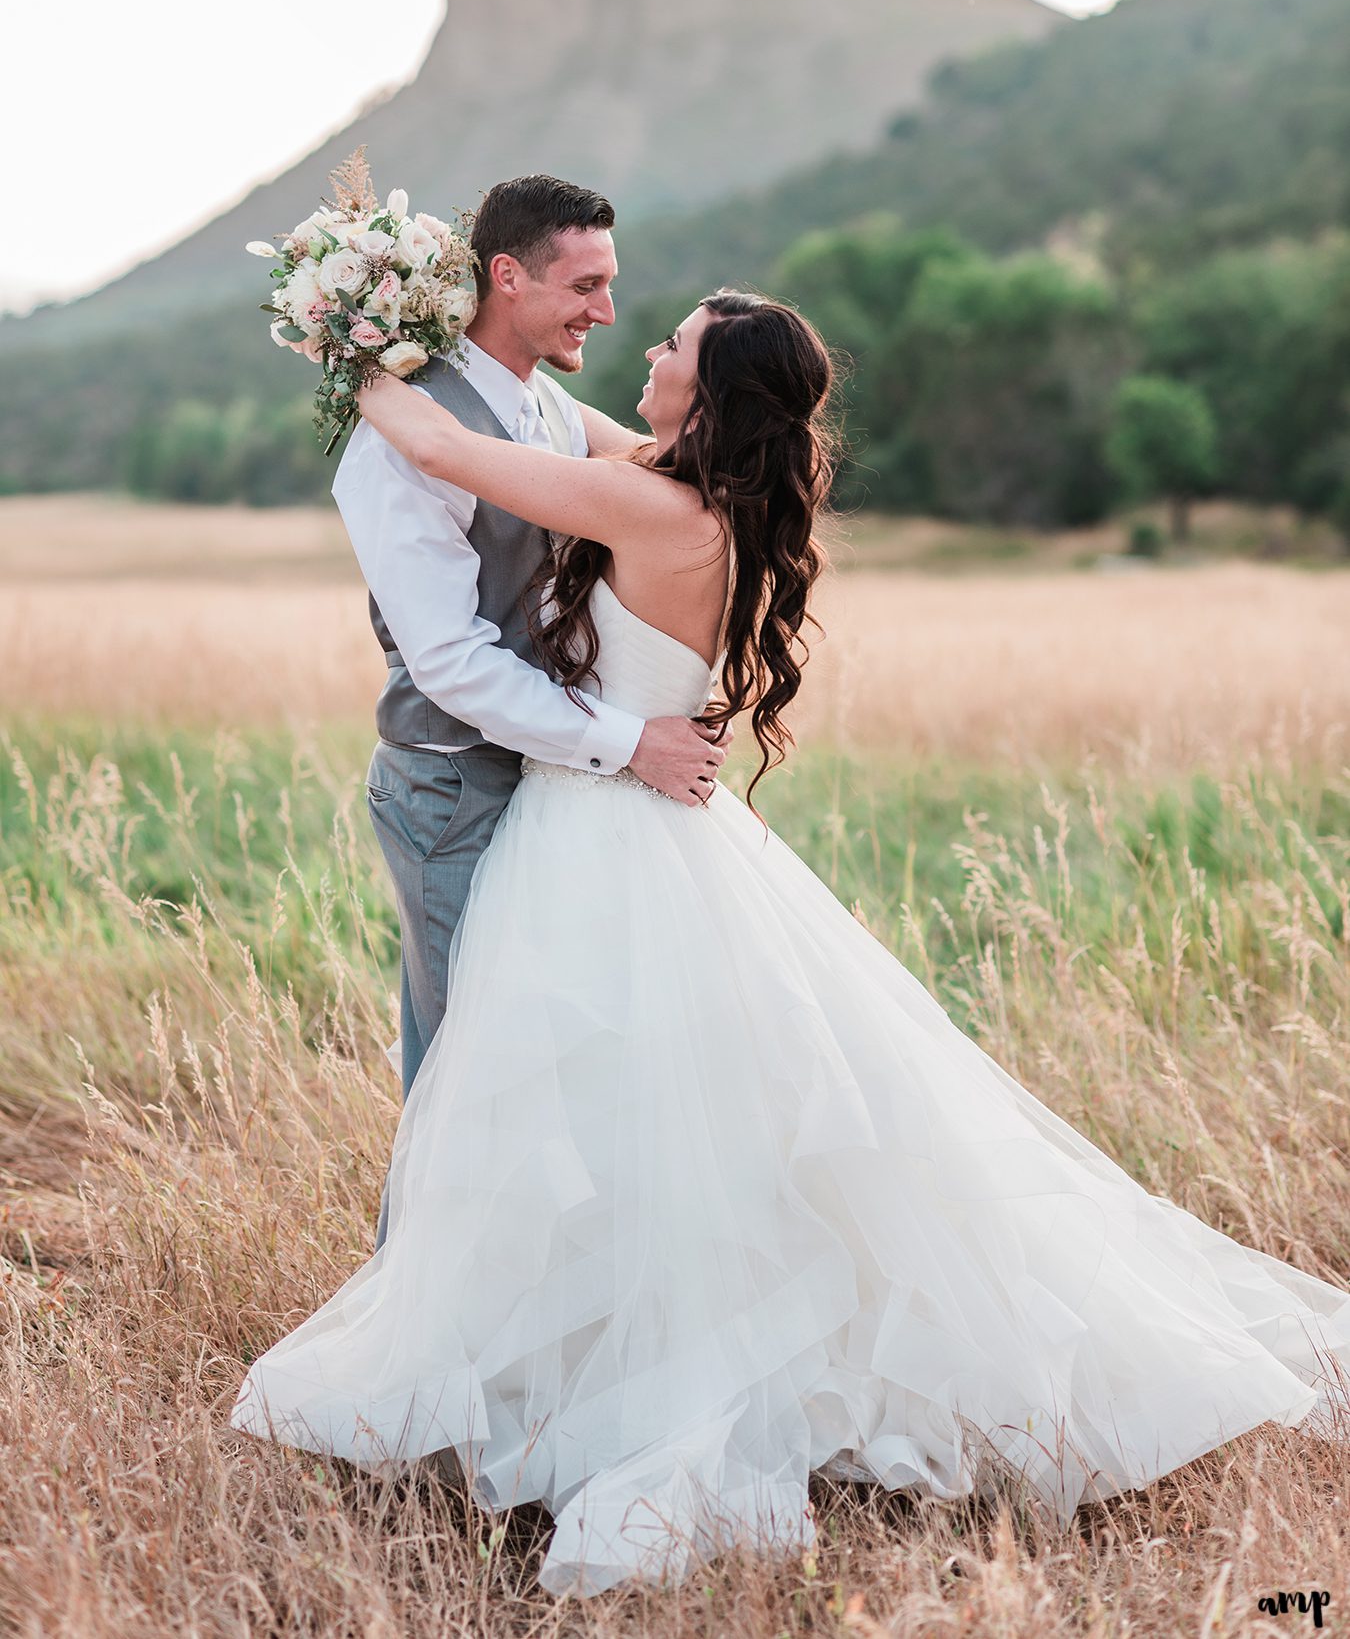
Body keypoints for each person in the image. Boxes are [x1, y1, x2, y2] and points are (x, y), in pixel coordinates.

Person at [233, 289, 1350, 1597]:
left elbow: (449, 451)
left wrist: (352, 339)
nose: (645, 350)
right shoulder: (677, 483)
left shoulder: (654, 507)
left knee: (599, 1113)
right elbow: (550, 415)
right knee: (650, 1118)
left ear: (705, 397)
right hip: (644, 829)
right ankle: (564, 1361)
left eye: (672, 348)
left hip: (604, 836)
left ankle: (608, 1383)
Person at [326, 173, 729, 1246]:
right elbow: (452, 665)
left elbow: (668, 483)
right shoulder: (401, 444)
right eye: (584, 285)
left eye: (611, 285)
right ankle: (432, 1324)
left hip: (556, 789)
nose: (606, 311)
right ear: (506, 276)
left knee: (526, 1065)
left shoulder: (545, 407)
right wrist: (629, 740)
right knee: (476, 1073)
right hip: (454, 784)